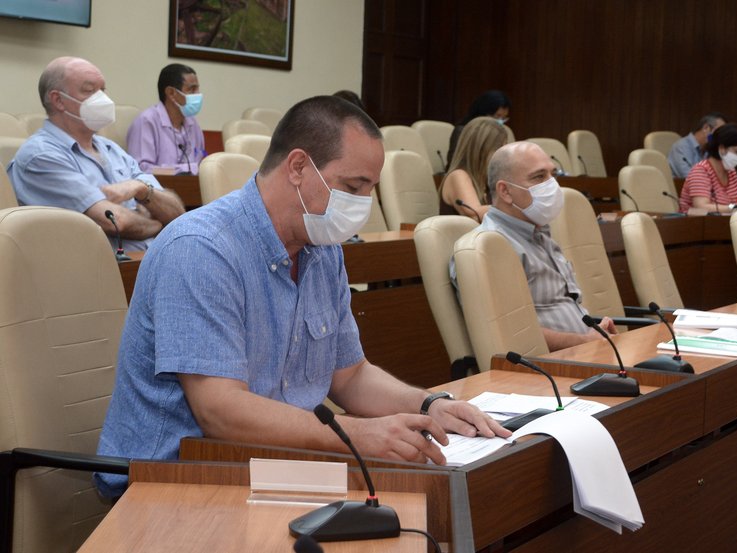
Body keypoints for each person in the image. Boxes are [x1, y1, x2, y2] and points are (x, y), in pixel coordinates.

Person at [95, 95, 510, 498]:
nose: (363, 203)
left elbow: (350, 376)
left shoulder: (322, 249)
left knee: (436, 504)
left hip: (269, 464)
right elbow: (219, 410)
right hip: (173, 480)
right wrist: (355, 433)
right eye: (353, 185)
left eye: (371, 189)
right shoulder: (202, 249)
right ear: (298, 166)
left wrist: (428, 405)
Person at [451, 141, 617, 351]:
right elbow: (510, 334)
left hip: (587, 356)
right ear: (505, 191)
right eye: (539, 177)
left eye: (552, 174)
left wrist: (597, 333)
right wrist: (584, 341)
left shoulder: (541, 235)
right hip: (546, 372)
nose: (552, 185)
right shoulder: (489, 247)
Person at [8, 57, 184, 252]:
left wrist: (141, 189)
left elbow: (176, 213)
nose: (102, 99)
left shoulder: (112, 149)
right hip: (99, 273)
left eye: (103, 90)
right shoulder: (42, 155)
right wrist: (158, 222)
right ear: (58, 100)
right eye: (89, 90)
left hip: (149, 261)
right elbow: (115, 221)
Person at [126, 63, 206, 175]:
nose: (198, 94)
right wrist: (184, 170)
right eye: (191, 89)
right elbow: (141, 169)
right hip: (156, 190)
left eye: (197, 89)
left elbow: (202, 163)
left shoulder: (193, 123)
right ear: (171, 93)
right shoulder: (146, 121)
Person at [438, 116, 507, 220]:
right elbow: (475, 214)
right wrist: (518, 209)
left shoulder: (489, 179)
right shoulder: (458, 175)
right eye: (499, 149)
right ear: (481, 149)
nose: (503, 156)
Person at [679, 123, 737, 214]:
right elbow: (701, 207)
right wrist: (734, 208)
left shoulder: (731, 171)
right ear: (722, 149)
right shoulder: (701, 170)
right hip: (698, 224)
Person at [446, 90, 511, 169]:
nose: (500, 121)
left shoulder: (499, 133)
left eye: (504, 118)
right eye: (497, 116)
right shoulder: (462, 131)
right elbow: (455, 163)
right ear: (483, 112)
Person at [667, 112, 728, 178]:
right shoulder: (680, 147)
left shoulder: (709, 150)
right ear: (706, 128)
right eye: (719, 131)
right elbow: (689, 177)